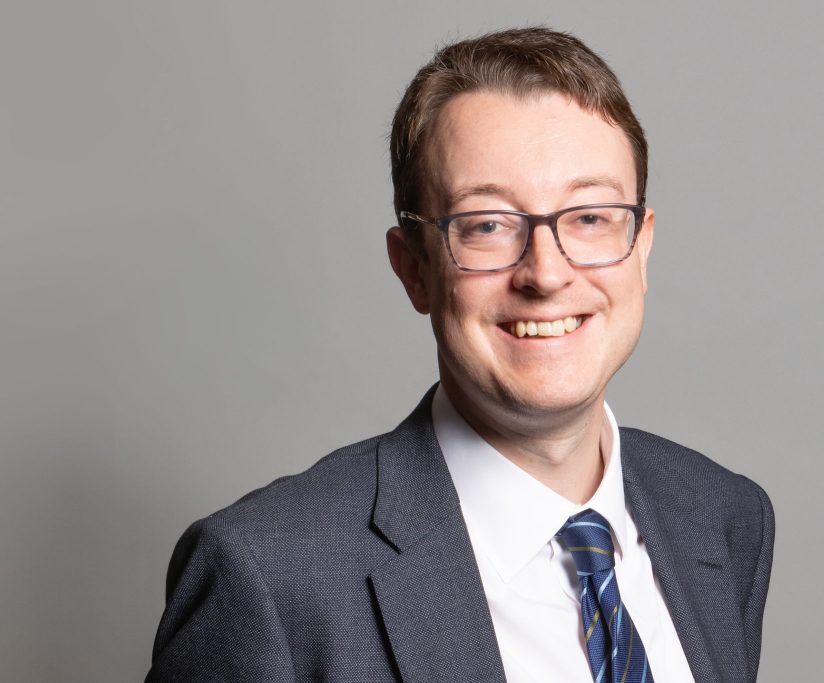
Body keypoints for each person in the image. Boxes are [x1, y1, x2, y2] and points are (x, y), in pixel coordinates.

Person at [145, 26, 774, 683]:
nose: (546, 274)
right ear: (413, 269)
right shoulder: (266, 576)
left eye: (590, 216)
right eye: (487, 225)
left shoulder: (724, 518)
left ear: (641, 248)